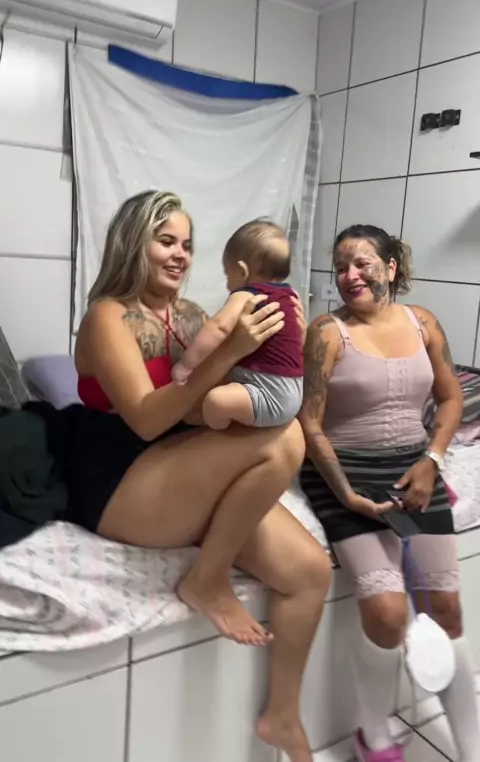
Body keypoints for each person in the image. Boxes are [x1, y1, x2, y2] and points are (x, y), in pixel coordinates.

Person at [71, 190, 331, 762]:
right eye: (166, 241)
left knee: (311, 572)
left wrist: (282, 342)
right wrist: (227, 355)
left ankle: (282, 716)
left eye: (187, 245)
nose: (180, 255)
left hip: (181, 466)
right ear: (132, 243)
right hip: (119, 480)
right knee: (284, 438)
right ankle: (206, 579)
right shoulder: (106, 317)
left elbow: (210, 402)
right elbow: (146, 418)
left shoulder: (191, 316)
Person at [299, 224, 479, 762]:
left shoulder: (423, 323)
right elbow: (309, 423)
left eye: (362, 264)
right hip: (343, 472)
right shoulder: (327, 331)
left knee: (447, 609)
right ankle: (373, 737)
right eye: (341, 267)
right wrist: (345, 494)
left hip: (415, 471)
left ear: (391, 268)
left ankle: (472, 749)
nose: (349, 275)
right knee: (386, 613)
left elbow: (451, 400)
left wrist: (432, 460)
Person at [172, 220, 303, 430]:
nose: (227, 284)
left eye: (227, 275)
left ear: (243, 271)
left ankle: (223, 433)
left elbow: (219, 327)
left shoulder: (247, 294)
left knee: (215, 401)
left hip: (266, 392)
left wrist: (186, 365)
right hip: (294, 391)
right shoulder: (291, 295)